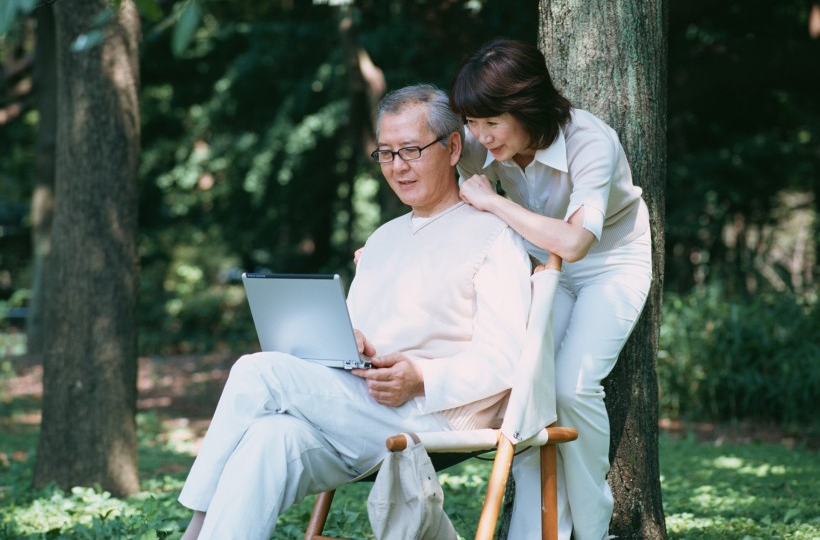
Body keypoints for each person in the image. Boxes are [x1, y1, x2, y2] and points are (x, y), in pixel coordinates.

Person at [177, 84, 533, 539]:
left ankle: (193, 527)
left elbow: (506, 360)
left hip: (429, 416)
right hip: (358, 410)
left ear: (452, 148)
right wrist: (353, 344)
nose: (398, 167)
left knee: (256, 372)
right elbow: (358, 332)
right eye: (385, 154)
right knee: (270, 439)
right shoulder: (383, 238)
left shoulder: (492, 235)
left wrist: (419, 376)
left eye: (411, 150)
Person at [449, 38, 653, 540]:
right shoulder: (484, 140)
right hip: (544, 268)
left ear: (528, 106)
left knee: (571, 387)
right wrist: (387, 248)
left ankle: (594, 528)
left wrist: (495, 204)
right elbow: (429, 178)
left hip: (612, 262)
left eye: (491, 122)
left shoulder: (590, 140)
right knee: (529, 393)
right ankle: (538, 532)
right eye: (472, 123)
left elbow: (577, 241)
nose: (480, 136)